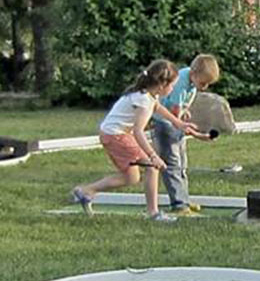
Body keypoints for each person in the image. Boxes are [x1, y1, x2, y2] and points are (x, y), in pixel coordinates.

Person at [70, 60, 188, 222]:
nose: (173, 89)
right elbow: (139, 132)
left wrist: (178, 122)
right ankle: (153, 213)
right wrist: (153, 156)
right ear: (161, 85)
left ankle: (86, 191)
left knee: (131, 177)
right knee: (152, 168)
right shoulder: (144, 101)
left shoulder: (148, 95)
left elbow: (157, 108)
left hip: (113, 134)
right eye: (172, 85)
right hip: (116, 136)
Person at [151, 54, 220, 217]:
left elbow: (180, 106)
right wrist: (186, 127)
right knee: (173, 163)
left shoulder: (192, 81)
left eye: (208, 84)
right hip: (165, 123)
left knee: (182, 162)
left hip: (175, 122)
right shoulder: (181, 82)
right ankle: (179, 204)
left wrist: (184, 112)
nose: (204, 87)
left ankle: (184, 199)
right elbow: (174, 109)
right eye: (203, 83)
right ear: (194, 73)